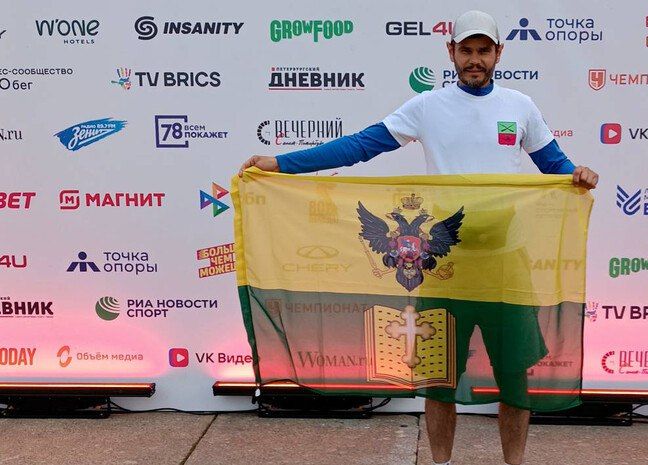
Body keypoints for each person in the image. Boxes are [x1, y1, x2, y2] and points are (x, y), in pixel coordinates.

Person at [240, 10, 598, 465]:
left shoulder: (520, 106)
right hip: (445, 267)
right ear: (451, 52)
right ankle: (441, 462)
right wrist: (283, 163)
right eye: (466, 50)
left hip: (507, 265)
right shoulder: (428, 107)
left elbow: (555, 166)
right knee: (438, 380)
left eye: (483, 50)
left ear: (498, 53)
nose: (474, 59)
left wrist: (578, 174)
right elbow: (361, 145)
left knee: (514, 380)